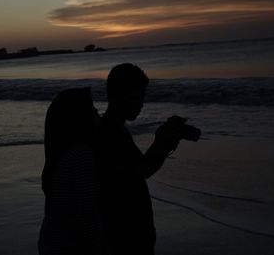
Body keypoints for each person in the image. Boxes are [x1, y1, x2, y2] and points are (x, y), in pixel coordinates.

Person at [97, 63, 181, 255]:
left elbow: (140, 169)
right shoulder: (109, 133)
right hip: (125, 237)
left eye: (142, 97)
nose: (141, 103)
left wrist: (163, 144)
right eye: (136, 97)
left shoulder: (115, 129)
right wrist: (163, 143)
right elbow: (138, 173)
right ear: (117, 96)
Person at [38, 88, 109, 255]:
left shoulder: (61, 154)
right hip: (69, 246)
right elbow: (88, 213)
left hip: (52, 243)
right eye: (91, 108)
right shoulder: (81, 155)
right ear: (79, 118)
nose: (97, 111)